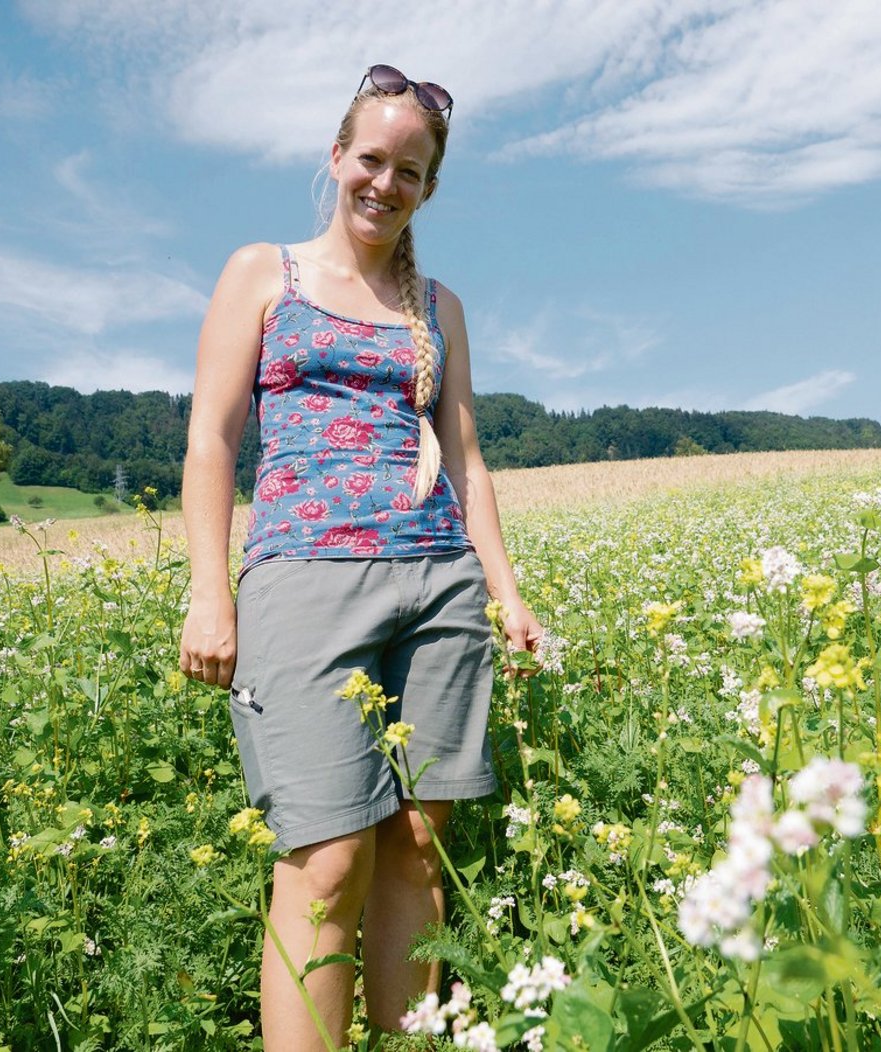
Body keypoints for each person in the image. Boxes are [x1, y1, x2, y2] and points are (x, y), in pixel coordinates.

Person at [178, 64, 542, 1050]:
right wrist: (210, 593)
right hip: (299, 578)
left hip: (436, 588)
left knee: (419, 848)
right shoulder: (263, 272)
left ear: (427, 187)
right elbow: (212, 438)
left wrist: (506, 595)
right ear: (335, 158)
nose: (384, 184)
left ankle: (411, 1038)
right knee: (325, 856)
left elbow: (464, 461)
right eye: (370, 160)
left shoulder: (439, 306)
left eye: (408, 171)